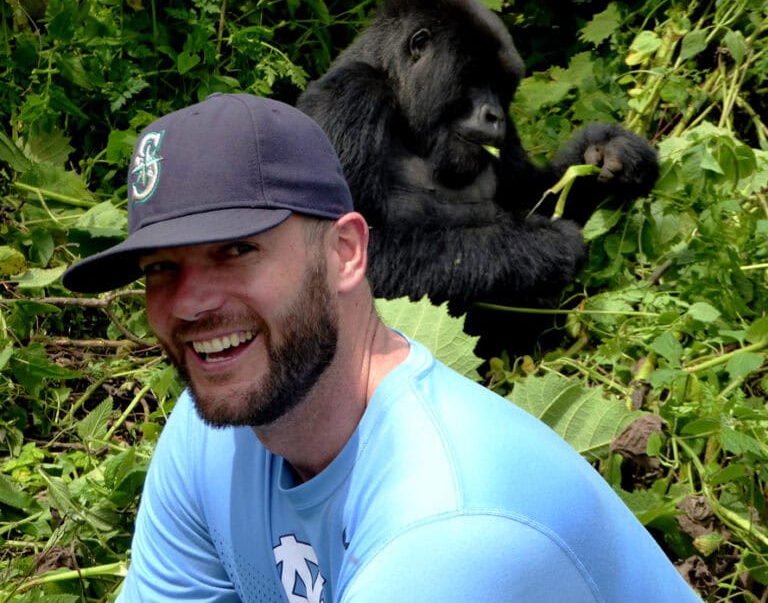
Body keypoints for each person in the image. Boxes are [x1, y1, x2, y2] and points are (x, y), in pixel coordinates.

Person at [62, 93, 701, 602]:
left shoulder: (447, 526)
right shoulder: (213, 437)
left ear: (346, 253)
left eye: (237, 249)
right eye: (158, 269)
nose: (190, 302)